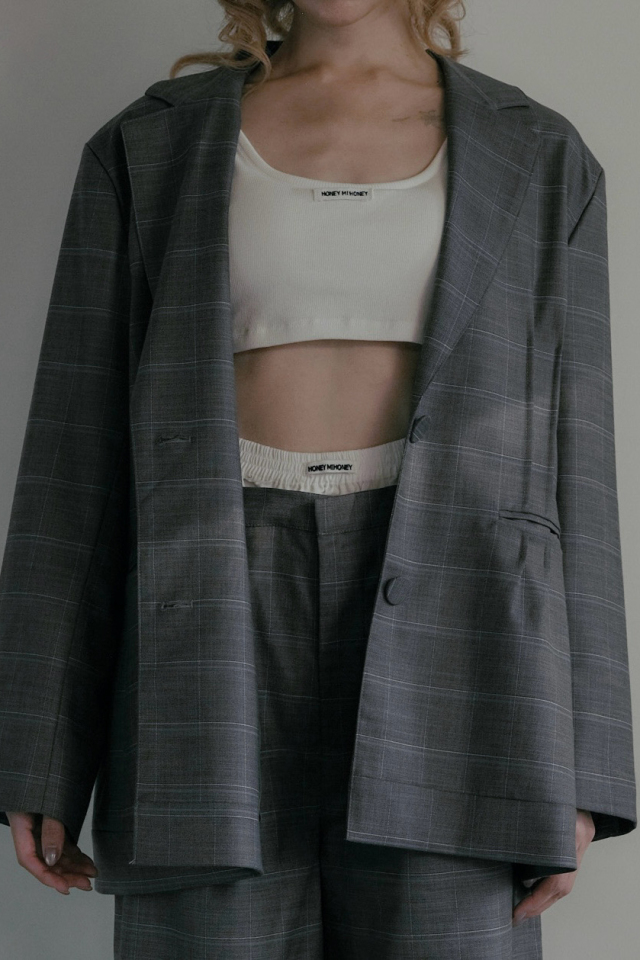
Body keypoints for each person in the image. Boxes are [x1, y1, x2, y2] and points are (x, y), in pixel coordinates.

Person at [0, 0, 636, 957]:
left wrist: (585, 765)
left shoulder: (542, 155)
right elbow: (74, 450)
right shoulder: (149, 145)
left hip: (467, 639)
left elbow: (578, 462)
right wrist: (39, 750)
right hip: (205, 618)